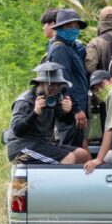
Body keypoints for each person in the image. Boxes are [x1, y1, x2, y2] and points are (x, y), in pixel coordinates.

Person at [5, 62, 91, 165]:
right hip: (21, 147)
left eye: (58, 84)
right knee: (69, 158)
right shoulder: (25, 101)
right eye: (52, 84)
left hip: (43, 143)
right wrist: (35, 112)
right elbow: (17, 130)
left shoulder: (53, 98)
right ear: (41, 83)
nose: (55, 88)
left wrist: (69, 112)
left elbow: (67, 122)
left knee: (82, 155)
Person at [45, 8, 89, 147]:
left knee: (76, 148)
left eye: (76, 26)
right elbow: (63, 81)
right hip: (69, 111)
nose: (74, 30)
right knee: (69, 152)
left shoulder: (70, 47)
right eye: (69, 26)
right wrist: (76, 109)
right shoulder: (60, 49)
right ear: (59, 28)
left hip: (75, 108)